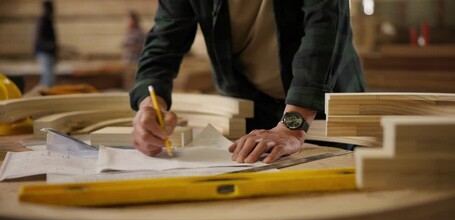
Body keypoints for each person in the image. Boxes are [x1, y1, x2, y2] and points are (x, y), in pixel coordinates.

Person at [129, 0, 365, 164]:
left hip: (323, 97)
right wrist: (150, 106)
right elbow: (164, 42)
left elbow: (326, 26)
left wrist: (292, 127)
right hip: (250, 101)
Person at [34, 0, 58, 88]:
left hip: (48, 52)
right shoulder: (43, 21)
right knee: (48, 78)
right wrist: (51, 45)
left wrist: (55, 53)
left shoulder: (48, 20)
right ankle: (44, 95)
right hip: (44, 52)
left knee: (50, 78)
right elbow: (39, 39)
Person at [122, 10, 145, 90]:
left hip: (136, 63)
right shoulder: (129, 32)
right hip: (128, 62)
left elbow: (142, 47)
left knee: (135, 84)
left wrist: (131, 47)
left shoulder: (139, 33)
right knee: (128, 85)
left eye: (128, 20)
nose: (126, 22)